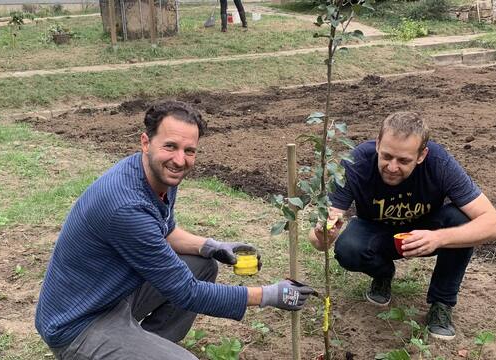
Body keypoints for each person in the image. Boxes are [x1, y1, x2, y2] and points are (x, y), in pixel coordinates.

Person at [35, 101, 314, 360]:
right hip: (79, 321)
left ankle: (141, 344)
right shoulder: (125, 206)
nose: (180, 160)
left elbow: (166, 232)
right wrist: (270, 295)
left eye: (189, 150)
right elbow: (187, 292)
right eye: (170, 146)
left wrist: (211, 245)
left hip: (111, 294)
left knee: (202, 264)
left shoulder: (154, 174)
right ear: (146, 142)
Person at [309, 112, 496, 340]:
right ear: (377, 144)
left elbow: (495, 225)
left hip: (426, 232)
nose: (392, 167)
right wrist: (322, 234)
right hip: (376, 231)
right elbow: (319, 238)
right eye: (387, 156)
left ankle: (441, 303)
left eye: (403, 161)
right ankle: (383, 274)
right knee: (348, 248)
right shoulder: (356, 163)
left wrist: (439, 238)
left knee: (461, 219)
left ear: (422, 155)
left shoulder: (440, 164)